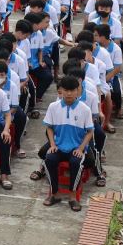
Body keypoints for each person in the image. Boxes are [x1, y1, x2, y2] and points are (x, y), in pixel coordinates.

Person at [40, 74, 94, 211]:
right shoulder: (53, 107)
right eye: (66, 90)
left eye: (72, 90)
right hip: (58, 146)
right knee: (48, 160)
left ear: (77, 91)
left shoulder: (85, 109)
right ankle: (55, 193)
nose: (69, 93)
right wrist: (52, 144)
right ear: (61, 91)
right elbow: (49, 128)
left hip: (76, 148)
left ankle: (72, 196)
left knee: (76, 163)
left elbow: (90, 132)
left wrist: (81, 148)